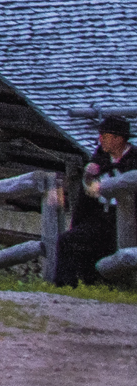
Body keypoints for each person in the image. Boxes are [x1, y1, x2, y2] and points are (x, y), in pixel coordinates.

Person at [54, 113, 135, 287]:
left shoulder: (134, 161)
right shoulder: (100, 158)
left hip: (129, 222)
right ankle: (66, 288)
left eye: (104, 136)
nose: (100, 140)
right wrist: (76, 222)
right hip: (101, 218)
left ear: (118, 138)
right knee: (69, 240)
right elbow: (86, 196)